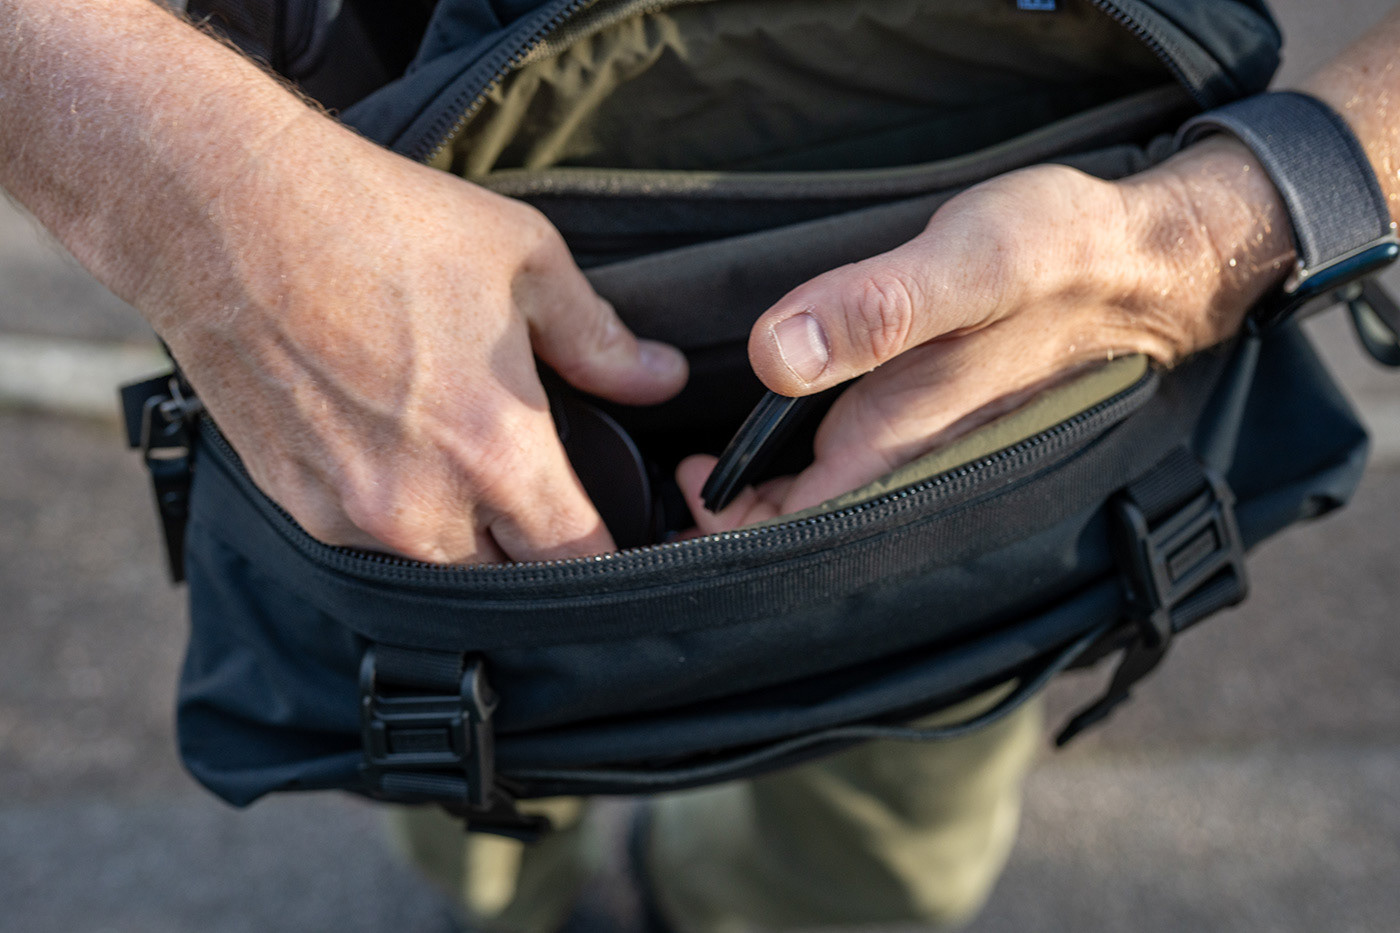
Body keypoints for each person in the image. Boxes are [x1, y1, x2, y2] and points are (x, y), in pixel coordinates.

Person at [1, 1, 1397, 930]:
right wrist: (205, 203)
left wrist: (1205, 240)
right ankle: (508, 897)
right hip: (355, 293)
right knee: (461, 785)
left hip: (1029, 343)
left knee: (867, 846)